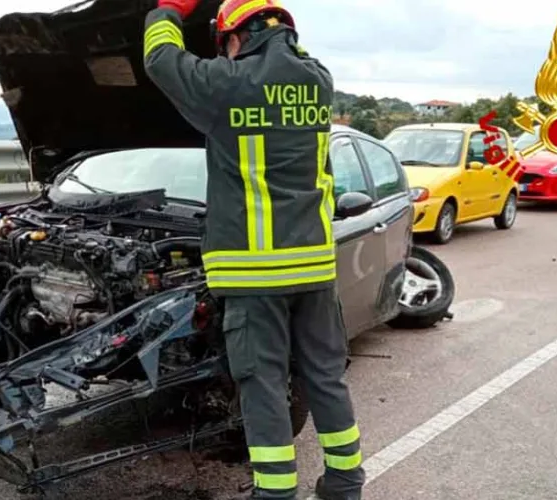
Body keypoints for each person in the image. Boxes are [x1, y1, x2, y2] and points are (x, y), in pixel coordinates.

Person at [142, 1, 365, 498]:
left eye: (225, 45)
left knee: (262, 386)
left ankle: (276, 491)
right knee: (325, 377)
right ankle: (346, 482)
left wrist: (166, 12)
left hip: (254, 272)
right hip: (313, 267)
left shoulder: (227, 84)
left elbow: (160, 61)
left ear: (235, 38)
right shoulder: (318, 80)